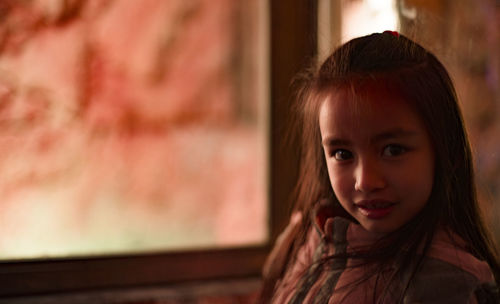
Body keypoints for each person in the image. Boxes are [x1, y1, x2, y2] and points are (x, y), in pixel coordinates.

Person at [260, 32, 500, 303]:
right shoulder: (319, 231)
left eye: (393, 150)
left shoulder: (444, 283)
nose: (366, 181)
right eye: (342, 153)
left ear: (444, 150)